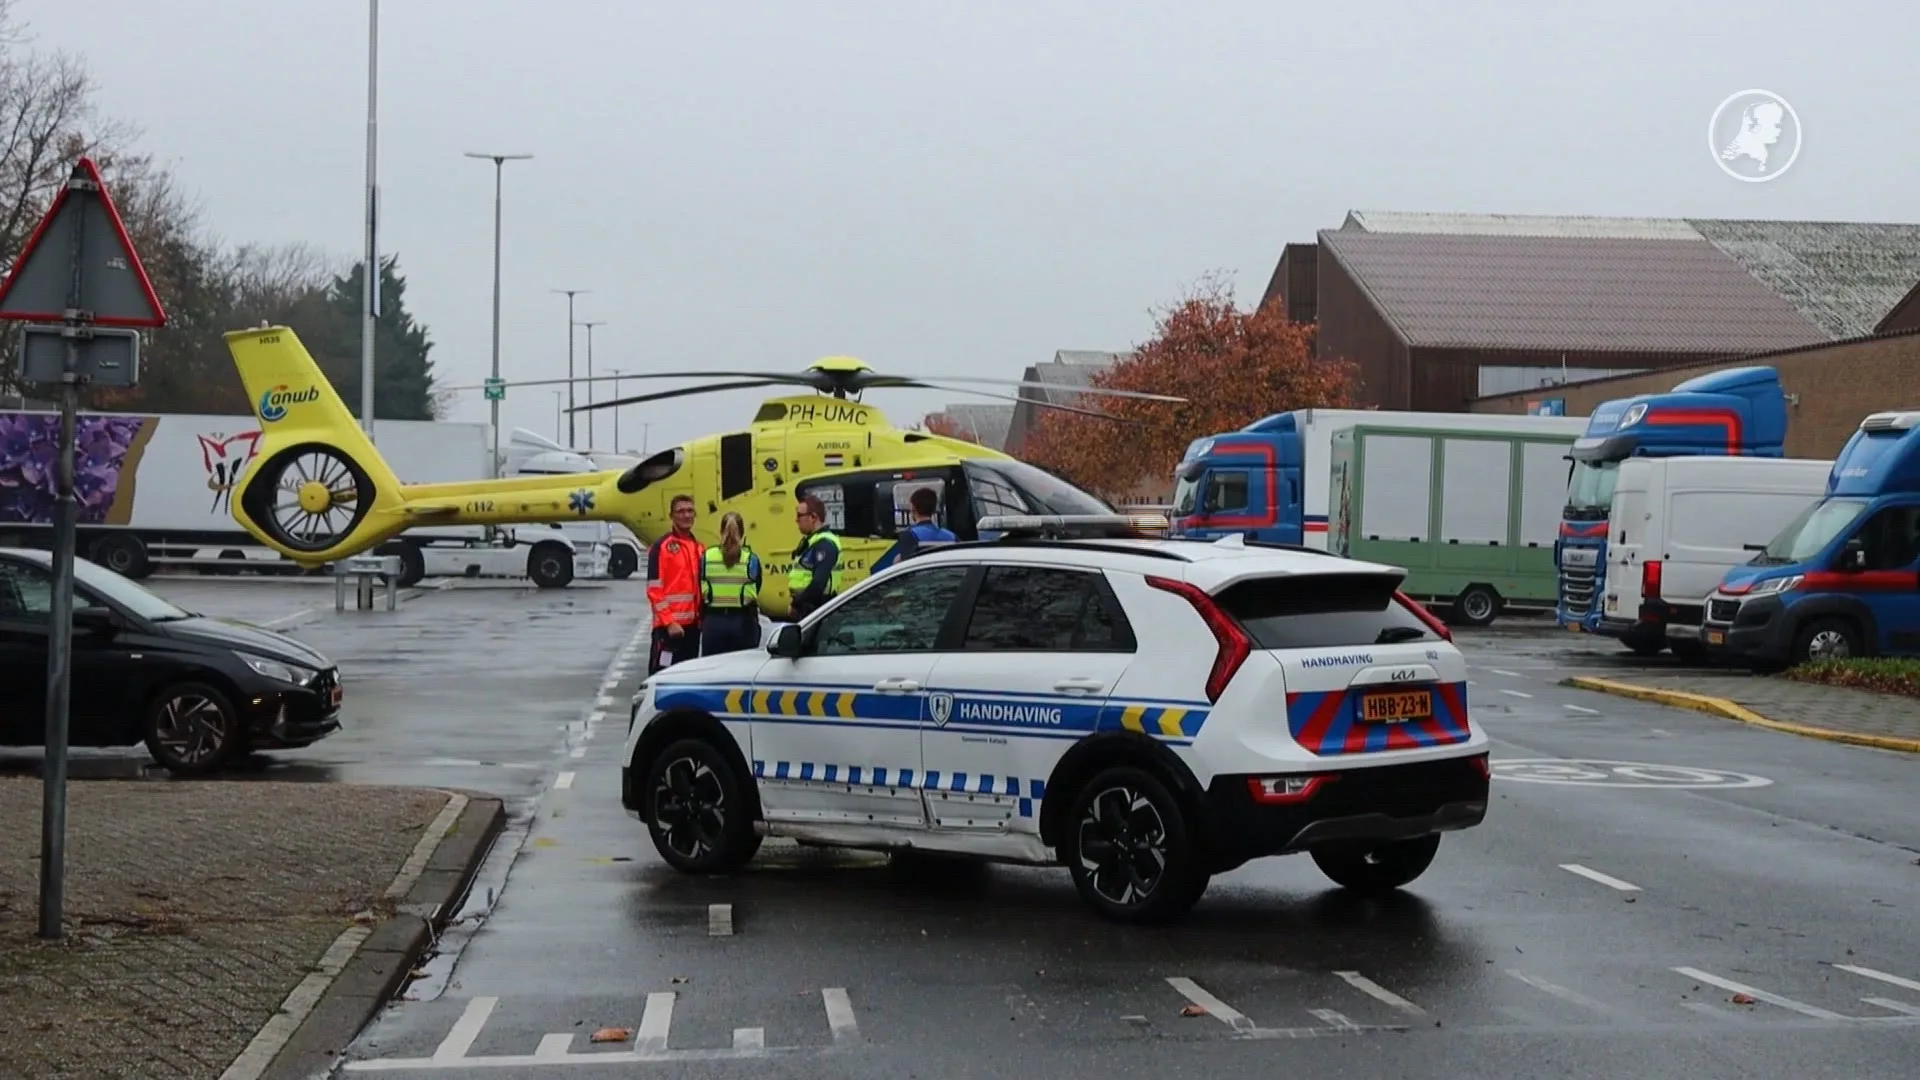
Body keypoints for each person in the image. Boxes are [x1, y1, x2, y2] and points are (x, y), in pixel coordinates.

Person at [646, 494, 704, 673]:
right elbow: (654, 589)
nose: (686, 515)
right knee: (661, 675)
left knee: (687, 676)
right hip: (668, 630)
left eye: (690, 511)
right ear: (671, 516)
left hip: (692, 628)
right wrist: (669, 622)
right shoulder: (661, 547)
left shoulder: (699, 548)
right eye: (681, 511)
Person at [700, 511, 763, 655]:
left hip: (713, 624)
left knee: (713, 666)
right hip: (743, 623)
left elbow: (700, 583)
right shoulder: (751, 560)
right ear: (742, 532)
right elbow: (757, 586)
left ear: (721, 531)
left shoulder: (707, 557)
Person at [787, 493, 843, 621]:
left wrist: (796, 605)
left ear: (813, 517)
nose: (796, 520)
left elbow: (818, 584)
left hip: (818, 611)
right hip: (810, 610)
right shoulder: (813, 541)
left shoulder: (824, 544)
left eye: (799, 515)